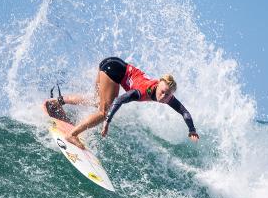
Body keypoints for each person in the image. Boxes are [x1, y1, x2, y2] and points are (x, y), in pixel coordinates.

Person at [46, 57, 199, 149]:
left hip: (112, 63)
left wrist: (192, 129)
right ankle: (72, 135)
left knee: (96, 100)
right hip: (114, 71)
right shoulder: (142, 92)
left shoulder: (167, 97)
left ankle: (58, 102)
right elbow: (119, 100)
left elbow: (184, 111)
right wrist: (107, 121)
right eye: (162, 91)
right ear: (158, 84)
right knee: (103, 111)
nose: (164, 96)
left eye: (167, 95)